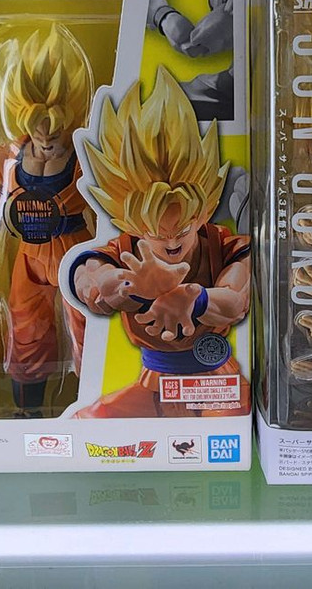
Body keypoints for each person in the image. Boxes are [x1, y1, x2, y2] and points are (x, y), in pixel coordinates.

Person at [67, 66, 251, 418]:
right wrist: (128, 286)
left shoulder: (225, 245)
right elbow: (90, 280)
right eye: (156, 233)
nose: (171, 242)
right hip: (151, 382)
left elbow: (236, 299)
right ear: (134, 223)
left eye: (182, 229)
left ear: (202, 212)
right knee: (86, 424)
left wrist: (194, 299)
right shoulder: (123, 250)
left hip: (217, 385)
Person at [0, 24, 94, 418]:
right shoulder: (3, 158)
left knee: (89, 327)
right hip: (30, 253)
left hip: (78, 251)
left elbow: (108, 209)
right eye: (41, 135)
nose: (48, 142)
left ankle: (94, 402)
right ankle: (29, 409)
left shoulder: (87, 154)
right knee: (25, 329)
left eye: (55, 134)